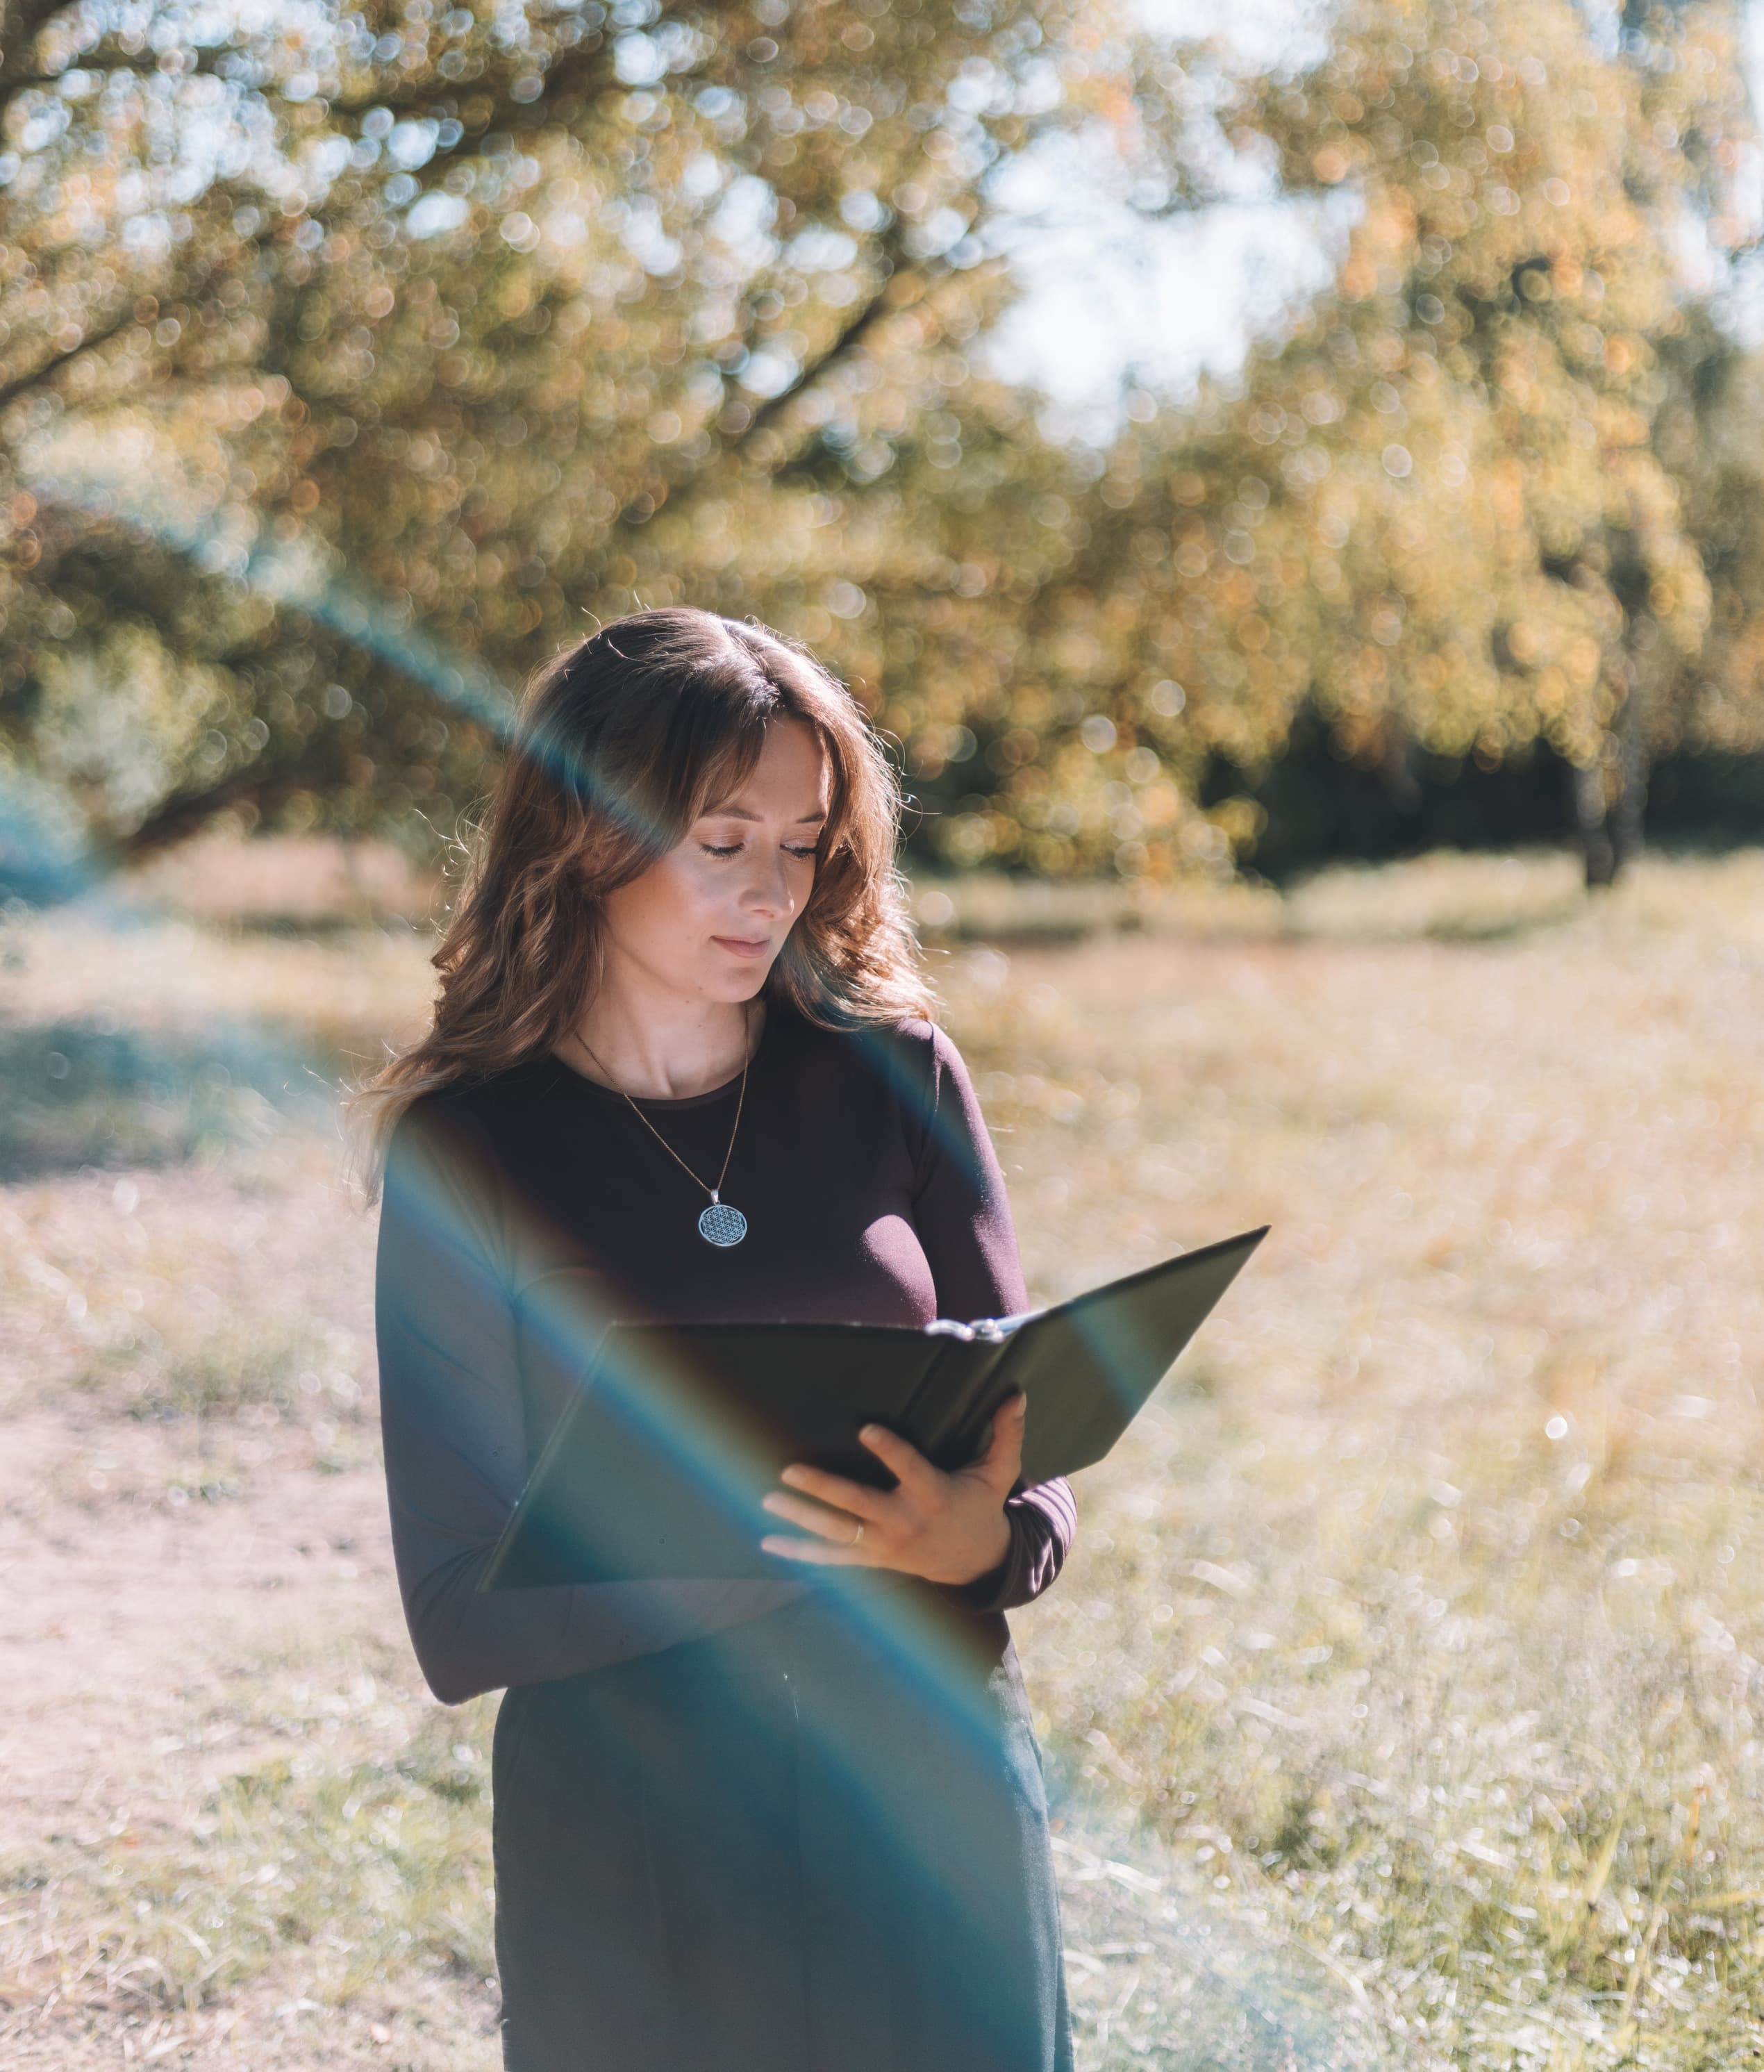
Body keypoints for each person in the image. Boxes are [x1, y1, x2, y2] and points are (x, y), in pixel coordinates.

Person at [349, 606, 1078, 2071]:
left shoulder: (898, 1075)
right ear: (585, 834)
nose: (769, 892)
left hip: (924, 1782)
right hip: (635, 1838)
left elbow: (1035, 1469)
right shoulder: (469, 1151)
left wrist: (977, 1546)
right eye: (720, 838)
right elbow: (455, 1608)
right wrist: (786, 1556)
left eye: (802, 843)